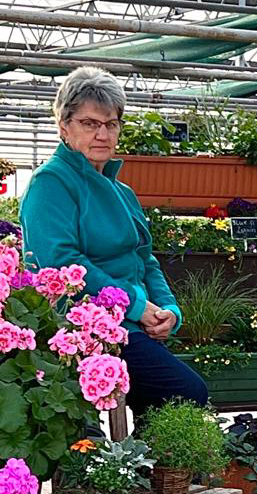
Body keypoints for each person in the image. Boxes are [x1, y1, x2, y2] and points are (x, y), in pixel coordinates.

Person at [20, 66, 208, 418]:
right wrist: (136, 306)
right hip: (83, 328)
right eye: (89, 123)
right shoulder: (51, 182)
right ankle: (139, 456)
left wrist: (169, 310)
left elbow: (145, 259)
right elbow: (62, 263)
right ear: (64, 125)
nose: (103, 134)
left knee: (173, 398)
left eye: (111, 124)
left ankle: (145, 455)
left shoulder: (123, 191)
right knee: (186, 392)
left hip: (132, 323)